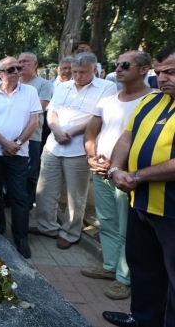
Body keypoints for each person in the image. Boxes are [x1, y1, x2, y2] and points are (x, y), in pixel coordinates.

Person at [102, 44, 175, 327]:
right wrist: (117, 168)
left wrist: (136, 176)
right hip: (141, 203)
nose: (163, 78)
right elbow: (126, 138)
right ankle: (143, 319)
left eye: (170, 72)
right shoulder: (151, 102)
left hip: (170, 210)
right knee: (144, 268)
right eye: (159, 72)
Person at [81, 50, 152, 301]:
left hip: (128, 176)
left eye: (125, 65)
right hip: (101, 172)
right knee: (107, 222)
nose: (118, 69)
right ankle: (110, 267)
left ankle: (125, 278)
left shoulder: (153, 100)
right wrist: (91, 156)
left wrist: (123, 169)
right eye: (117, 64)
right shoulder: (108, 99)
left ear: (144, 69)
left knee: (127, 227)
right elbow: (91, 132)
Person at [29, 52, 117, 250]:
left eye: (83, 72)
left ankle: (70, 232)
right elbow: (52, 111)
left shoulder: (107, 87)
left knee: (75, 195)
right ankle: (47, 226)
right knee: (44, 191)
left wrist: (72, 131)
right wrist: (56, 130)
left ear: (94, 69)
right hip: (53, 145)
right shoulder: (63, 86)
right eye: (74, 71)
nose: (77, 76)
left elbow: (99, 116)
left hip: (79, 148)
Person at [0, 57, 42, 259]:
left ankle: (21, 237)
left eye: (18, 67)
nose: (17, 71)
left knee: (19, 196)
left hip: (19, 153)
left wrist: (17, 143)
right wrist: (5, 143)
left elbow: (34, 122)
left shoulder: (30, 92)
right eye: (11, 69)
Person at [18, 52, 53, 210]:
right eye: (20, 61)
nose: (22, 64)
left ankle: (27, 203)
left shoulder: (43, 84)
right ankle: (11, 199)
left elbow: (40, 108)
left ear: (35, 64)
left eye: (26, 61)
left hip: (33, 135)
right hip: (11, 135)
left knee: (30, 171)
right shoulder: (14, 82)